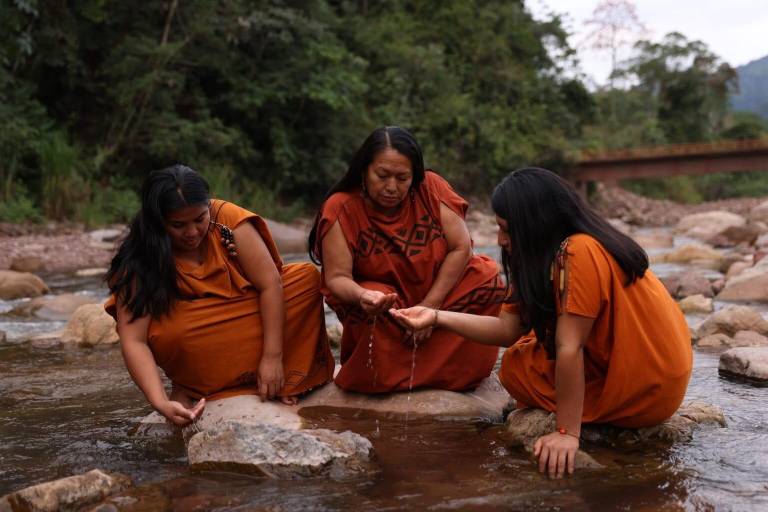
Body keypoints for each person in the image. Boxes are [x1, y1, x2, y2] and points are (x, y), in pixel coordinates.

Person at [390, 167, 692, 478]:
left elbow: (570, 346)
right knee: (525, 348)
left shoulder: (578, 251)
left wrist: (566, 433)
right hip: (662, 381)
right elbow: (507, 329)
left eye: (506, 230)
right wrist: (436, 316)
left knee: (515, 367)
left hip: (645, 391)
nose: (500, 240)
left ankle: (593, 408)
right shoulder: (567, 248)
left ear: (535, 225)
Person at [105, 165, 334, 426]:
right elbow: (134, 340)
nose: (192, 232)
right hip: (195, 333)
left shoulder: (227, 219)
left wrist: (273, 358)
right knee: (170, 330)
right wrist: (160, 402)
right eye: (178, 225)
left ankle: (274, 377)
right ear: (157, 222)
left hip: (244, 312)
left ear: (208, 207)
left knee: (305, 279)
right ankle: (197, 384)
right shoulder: (141, 255)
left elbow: (271, 285)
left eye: (199, 219)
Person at [308, 126, 506, 393]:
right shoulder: (340, 207)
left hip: (439, 298)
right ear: (364, 170)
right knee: (377, 301)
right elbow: (337, 278)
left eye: (402, 178)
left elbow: (460, 248)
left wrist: (431, 309)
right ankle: (386, 375)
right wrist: (363, 296)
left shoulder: (431, 187)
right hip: (392, 309)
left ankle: (452, 372)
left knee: (487, 279)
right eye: (382, 176)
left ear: (415, 175)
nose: (392, 187)